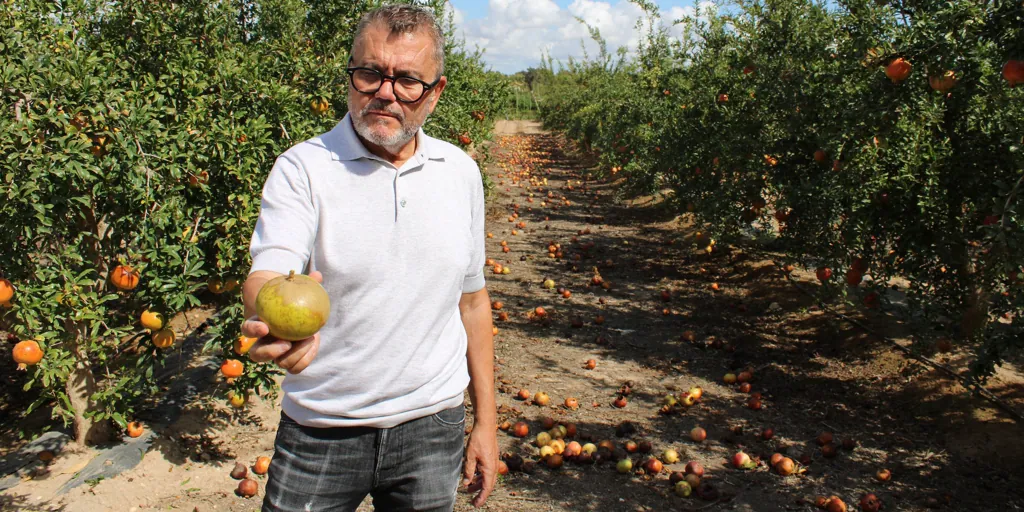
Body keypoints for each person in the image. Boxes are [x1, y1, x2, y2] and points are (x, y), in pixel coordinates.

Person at [238, 4, 498, 511]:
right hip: (323, 427)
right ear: (350, 75)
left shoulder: (461, 173)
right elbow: (267, 271)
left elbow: (473, 302)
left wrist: (486, 423)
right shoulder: (304, 168)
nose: (385, 92)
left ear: (436, 92)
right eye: (370, 73)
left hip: (433, 424)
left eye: (407, 81)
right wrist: (270, 320)